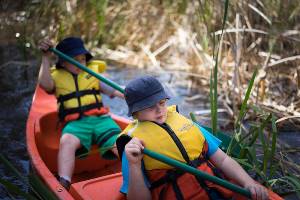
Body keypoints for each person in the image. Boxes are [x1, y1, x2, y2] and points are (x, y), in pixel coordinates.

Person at [116, 75, 269, 200]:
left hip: (218, 194)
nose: (159, 110)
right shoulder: (133, 145)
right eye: (150, 107)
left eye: (162, 103)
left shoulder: (184, 123)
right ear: (135, 113)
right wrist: (134, 164)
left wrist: (249, 183)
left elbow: (222, 160)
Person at [38, 37, 124, 190]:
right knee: (67, 142)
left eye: (82, 59)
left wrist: (130, 94)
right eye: (74, 60)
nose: (80, 63)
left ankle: (135, 172)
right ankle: (64, 181)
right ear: (63, 62)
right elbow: (44, 85)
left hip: (101, 120)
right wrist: (45, 58)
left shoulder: (92, 73)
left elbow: (115, 90)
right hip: (75, 124)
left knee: (120, 142)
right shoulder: (56, 77)